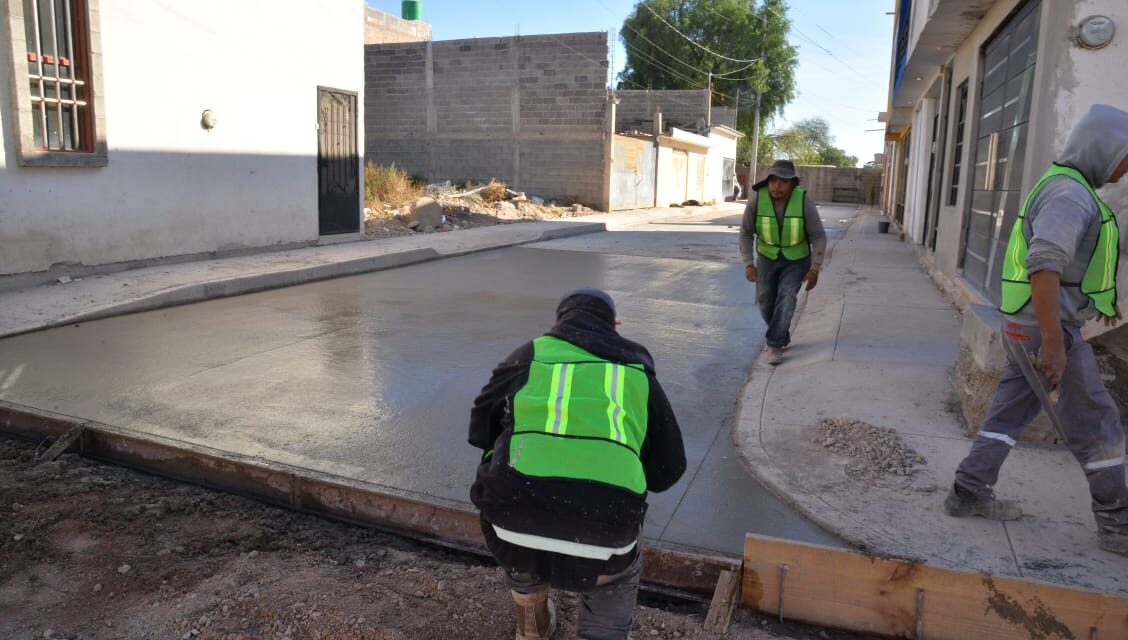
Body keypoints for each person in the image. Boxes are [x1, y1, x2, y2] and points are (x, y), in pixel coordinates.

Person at [945, 104, 1128, 556]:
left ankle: (968, 490)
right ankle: (1117, 522)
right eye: (1125, 157)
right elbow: (1044, 265)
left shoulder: (1065, 185)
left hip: (1028, 325)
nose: (1125, 168)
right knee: (1096, 423)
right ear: (1104, 149)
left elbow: (1067, 266)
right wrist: (1053, 342)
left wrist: (1095, 302)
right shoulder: (1070, 195)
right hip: (1046, 330)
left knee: (1008, 416)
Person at [468, 288, 686, 640]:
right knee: (617, 574)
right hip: (607, 533)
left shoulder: (528, 356)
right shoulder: (638, 375)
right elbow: (667, 472)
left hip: (511, 522)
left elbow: (480, 430)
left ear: (560, 321)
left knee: (518, 525)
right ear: (614, 325)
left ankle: (532, 625)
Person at [739, 160, 827, 364]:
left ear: (792, 184)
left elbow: (818, 236)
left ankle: (774, 344)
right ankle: (781, 333)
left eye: (783, 182)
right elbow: (745, 232)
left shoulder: (804, 202)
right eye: (773, 181)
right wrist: (748, 263)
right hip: (767, 257)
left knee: (787, 296)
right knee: (765, 301)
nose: (776, 186)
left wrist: (815, 268)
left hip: (797, 259)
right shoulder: (756, 199)